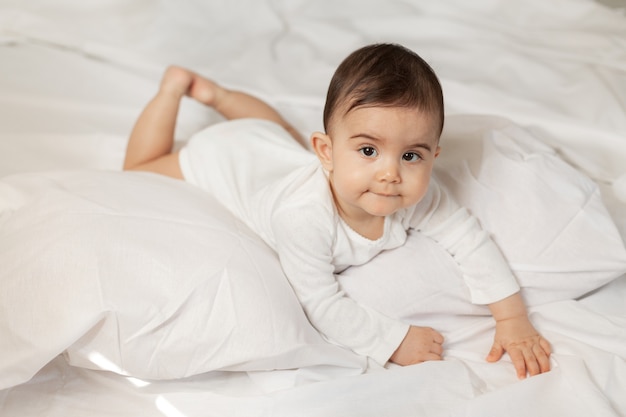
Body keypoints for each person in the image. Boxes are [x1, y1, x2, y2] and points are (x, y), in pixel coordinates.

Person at [123, 43, 551, 379]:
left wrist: (512, 317)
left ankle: (218, 95)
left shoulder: (413, 194)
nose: (390, 173)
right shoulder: (303, 217)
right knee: (139, 170)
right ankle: (175, 89)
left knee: (280, 135)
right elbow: (320, 303)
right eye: (368, 150)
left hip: (272, 150)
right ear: (326, 152)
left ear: (433, 156)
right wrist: (394, 340)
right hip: (230, 159)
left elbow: (467, 237)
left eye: (412, 156)